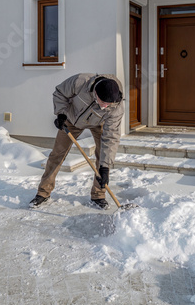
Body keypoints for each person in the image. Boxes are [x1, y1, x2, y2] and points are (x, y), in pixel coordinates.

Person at [29, 73, 124, 210]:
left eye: (108, 104)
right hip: (72, 120)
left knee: (102, 157)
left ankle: (98, 195)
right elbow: (60, 93)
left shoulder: (116, 106)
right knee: (57, 154)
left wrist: (105, 167)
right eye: (103, 102)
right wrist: (61, 114)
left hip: (99, 123)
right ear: (95, 92)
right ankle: (43, 192)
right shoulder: (80, 82)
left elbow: (111, 137)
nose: (104, 107)